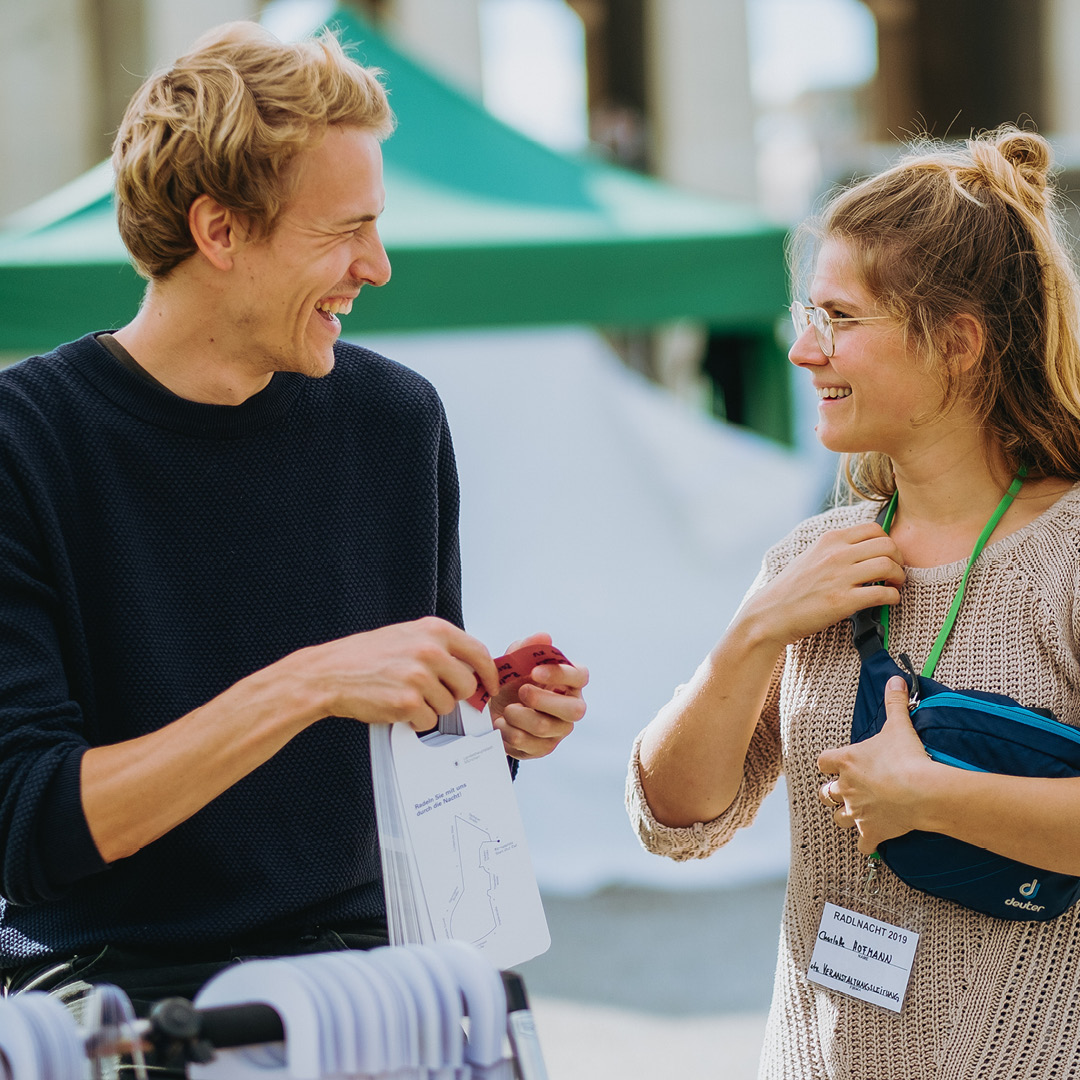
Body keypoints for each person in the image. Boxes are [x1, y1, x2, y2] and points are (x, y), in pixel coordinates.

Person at [0, 21, 587, 1018]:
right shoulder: (25, 443)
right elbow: (32, 831)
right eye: (343, 230)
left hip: (372, 984)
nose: (379, 265)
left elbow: (396, 781)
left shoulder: (398, 421)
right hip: (114, 999)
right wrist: (308, 685)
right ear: (219, 231)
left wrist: (487, 737)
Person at [627, 125, 1080, 1079]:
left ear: (956, 345)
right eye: (805, 311)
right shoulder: (811, 559)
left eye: (838, 317)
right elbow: (673, 816)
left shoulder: (1069, 555)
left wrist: (931, 796)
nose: (801, 351)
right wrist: (753, 633)